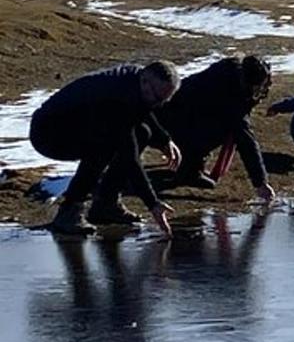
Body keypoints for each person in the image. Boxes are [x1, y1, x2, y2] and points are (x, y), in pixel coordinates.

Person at [28, 61, 182, 237]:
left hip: (80, 123)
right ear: (145, 81)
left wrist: (164, 140)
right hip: (49, 133)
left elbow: (143, 109)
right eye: (156, 98)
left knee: (142, 132)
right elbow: (130, 158)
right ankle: (70, 211)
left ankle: (106, 204)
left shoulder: (137, 81)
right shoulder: (116, 100)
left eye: (163, 101)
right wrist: (153, 204)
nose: (156, 104)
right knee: (104, 146)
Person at [155, 55, 275, 202]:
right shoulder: (230, 94)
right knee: (221, 130)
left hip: (177, 111)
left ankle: (192, 167)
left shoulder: (231, 70)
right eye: (260, 86)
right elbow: (246, 141)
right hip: (173, 117)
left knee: (215, 126)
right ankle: (189, 171)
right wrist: (261, 183)